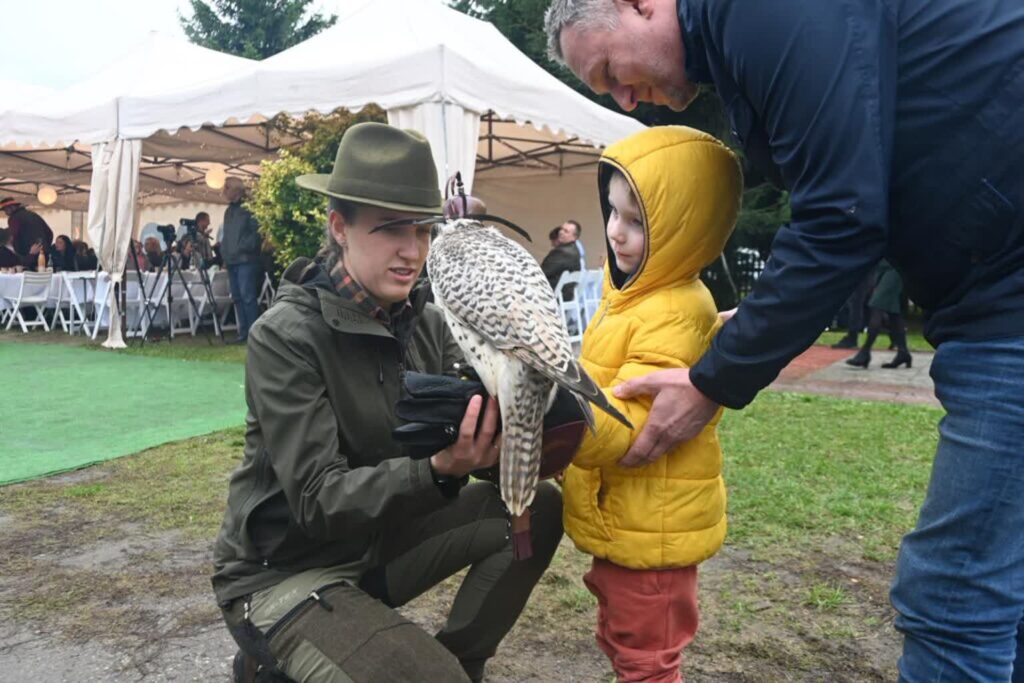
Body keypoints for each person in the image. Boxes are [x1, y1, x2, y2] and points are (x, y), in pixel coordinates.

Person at [545, 1, 1024, 678]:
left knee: (955, 594)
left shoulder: (764, 12)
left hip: (1009, 304)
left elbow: (842, 217)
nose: (625, 97)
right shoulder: (747, 38)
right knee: (1005, 591)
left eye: (611, 70)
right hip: (990, 301)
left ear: (640, 4)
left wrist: (714, 380)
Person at [212, 122, 563, 683]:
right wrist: (439, 471)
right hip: (283, 571)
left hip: (377, 545)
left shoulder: (429, 320)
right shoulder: (286, 336)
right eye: (390, 230)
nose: (413, 250)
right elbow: (316, 500)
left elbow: (479, 421)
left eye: (423, 230)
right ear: (339, 228)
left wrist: (528, 422)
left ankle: (457, 661)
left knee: (534, 507)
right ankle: (269, 657)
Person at [562, 126, 741, 683]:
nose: (616, 232)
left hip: (654, 533)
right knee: (623, 642)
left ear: (688, 229)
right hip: (628, 519)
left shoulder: (673, 310)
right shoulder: (627, 298)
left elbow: (631, 428)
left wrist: (549, 410)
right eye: (612, 212)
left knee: (647, 661)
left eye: (637, 221)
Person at [846, 261, 913, 369]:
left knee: (876, 305)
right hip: (883, 267)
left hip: (895, 268)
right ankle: (903, 352)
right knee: (893, 312)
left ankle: (865, 351)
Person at [221, 177, 263, 342]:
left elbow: (257, 233)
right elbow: (227, 235)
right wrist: (225, 251)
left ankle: (253, 334)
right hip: (232, 259)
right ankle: (243, 332)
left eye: (227, 187)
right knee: (237, 297)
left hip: (246, 259)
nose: (224, 190)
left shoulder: (249, 208)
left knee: (247, 296)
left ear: (236, 190)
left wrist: (244, 246)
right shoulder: (228, 211)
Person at [0, 197, 53, 263]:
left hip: (29, 254)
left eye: (5, 209)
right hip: (44, 252)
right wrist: (44, 246)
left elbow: (15, 236)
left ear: (12, 207)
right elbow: (49, 233)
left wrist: (21, 254)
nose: (5, 212)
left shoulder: (14, 218)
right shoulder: (33, 214)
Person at [540, 221, 582, 294]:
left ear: (574, 237)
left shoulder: (562, 252)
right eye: (561, 229)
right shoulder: (574, 251)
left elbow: (542, 273)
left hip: (551, 294)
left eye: (566, 231)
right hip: (566, 294)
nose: (561, 232)